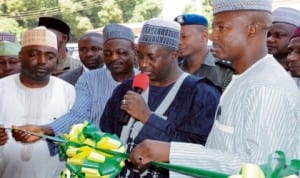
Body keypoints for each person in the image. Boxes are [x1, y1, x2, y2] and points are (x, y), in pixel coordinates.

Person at [129, 0, 300, 177]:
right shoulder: (246, 78)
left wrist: (172, 152)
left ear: (252, 29)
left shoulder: (265, 87)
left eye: (221, 27)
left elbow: (259, 169)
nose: (212, 36)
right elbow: (225, 152)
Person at [100, 18, 221, 177]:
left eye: (152, 57)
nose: (143, 64)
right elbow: (106, 133)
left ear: (174, 55)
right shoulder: (127, 88)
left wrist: (147, 117)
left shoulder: (201, 93)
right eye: (140, 56)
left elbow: (199, 152)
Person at [10, 24, 137, 155]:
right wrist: (44, 130)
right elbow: (77, 115)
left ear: (135, 52)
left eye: (121, 53)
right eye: (108, 53)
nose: (114, 58)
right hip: (97, 160)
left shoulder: (147, 82)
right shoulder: (89, 80)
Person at [0, 26, 75, 178]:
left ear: (57, 59)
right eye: (34, 54)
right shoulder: (2, 88)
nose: (42, 61)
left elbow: (75, 135)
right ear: (21, 56)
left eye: (50, 56)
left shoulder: (68, 91)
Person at [174, 13, 233, 91]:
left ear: (204, 36)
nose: (179, 42)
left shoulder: (225, 72)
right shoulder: (174, 69)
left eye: (184, 37)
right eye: (176, 37)